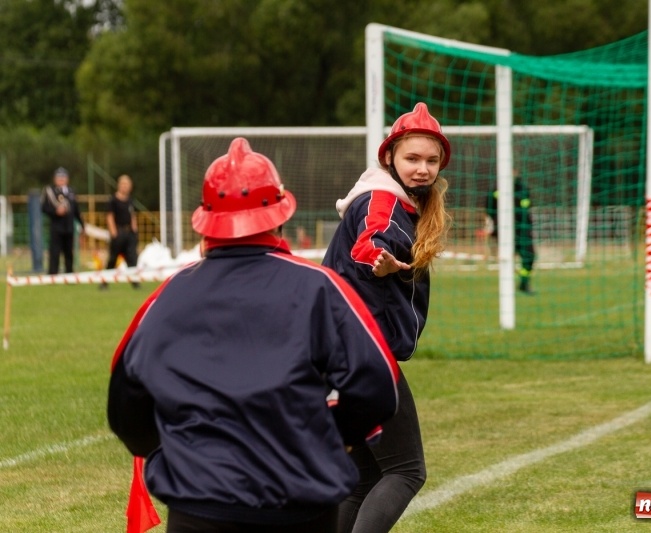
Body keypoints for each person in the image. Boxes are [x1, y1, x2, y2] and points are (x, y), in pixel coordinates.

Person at [107, 137, 400, 533]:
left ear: (206, 220)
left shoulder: (169, 295)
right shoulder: (319, 287)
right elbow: (378, 383)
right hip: (301, 506)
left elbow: (126, 401)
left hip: (198, 510)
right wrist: (331, 436)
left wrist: (172, 451)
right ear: (280, 216)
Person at [322, 102, 451, 533]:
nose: (422, 169)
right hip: (362, 353)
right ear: (389, 158)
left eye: (431, 161)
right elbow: (371, 240)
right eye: (412, 158)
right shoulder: (381, 200)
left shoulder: (401, 201)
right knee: (406, 471)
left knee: (365, 478)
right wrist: (378, 258)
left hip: (336, 352)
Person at [485, 168, 537, 294]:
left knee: (529, 256)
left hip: (522, 230)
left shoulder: (523, 189)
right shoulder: (496, 189)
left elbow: (528, 208)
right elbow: (489, 208)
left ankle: (524, 282)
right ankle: (506, 287)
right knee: (507, 257)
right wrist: (495, 224)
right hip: (504, 231)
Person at [41, 167, 85, 275]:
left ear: (67, 179)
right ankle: (53, 274)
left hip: (69, 227)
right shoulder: (50, 191)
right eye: (59, 177)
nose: (61, 180)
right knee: (54, 252)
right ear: (55, 179)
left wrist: (82, 224)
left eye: (63, 177)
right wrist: (55, 211)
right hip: (56, 227)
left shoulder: (71, 192)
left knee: (69, 252)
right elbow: (44, 208)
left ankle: (69, 273)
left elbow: (76, 210)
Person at [100, 174, 140, 290]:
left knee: (132, 258)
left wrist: (134, 231)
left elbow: (132, 216)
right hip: (118, 232)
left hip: (129, 233)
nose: (125, 187)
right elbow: (109, 216)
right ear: (119, 185)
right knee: (113, 258)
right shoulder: (113, 200)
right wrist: (114, 233)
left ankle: (135, 282)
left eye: (127, 185)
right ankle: (105, 282)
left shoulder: (130, 200)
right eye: (123, 184)